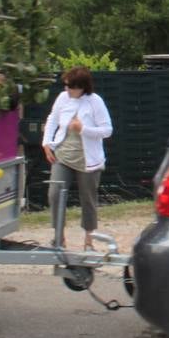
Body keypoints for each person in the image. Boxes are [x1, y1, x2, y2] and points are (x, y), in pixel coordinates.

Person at [42, 65, 113, 252]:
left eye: (71, 86)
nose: (67, 89)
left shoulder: (95, 101)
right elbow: (52, 119)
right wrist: (46, 142)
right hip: (64, 155)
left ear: (82, 87)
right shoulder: (62, 98)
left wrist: (83, 129)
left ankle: (89, 242)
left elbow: (107, 130)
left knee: (87, 199)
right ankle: (59, 239)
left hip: (88, 161)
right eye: (65, 85)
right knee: (55, 193)